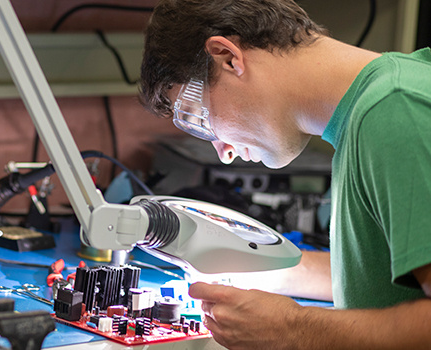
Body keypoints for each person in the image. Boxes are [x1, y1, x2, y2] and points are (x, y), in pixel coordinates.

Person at [139, 0, 431, 348]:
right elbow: (377, 279)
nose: (224, 152)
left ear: (228, 57)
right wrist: (254, 272)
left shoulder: (395, 111)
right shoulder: (372, 112)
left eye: (198, 118)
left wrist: (292, 328)